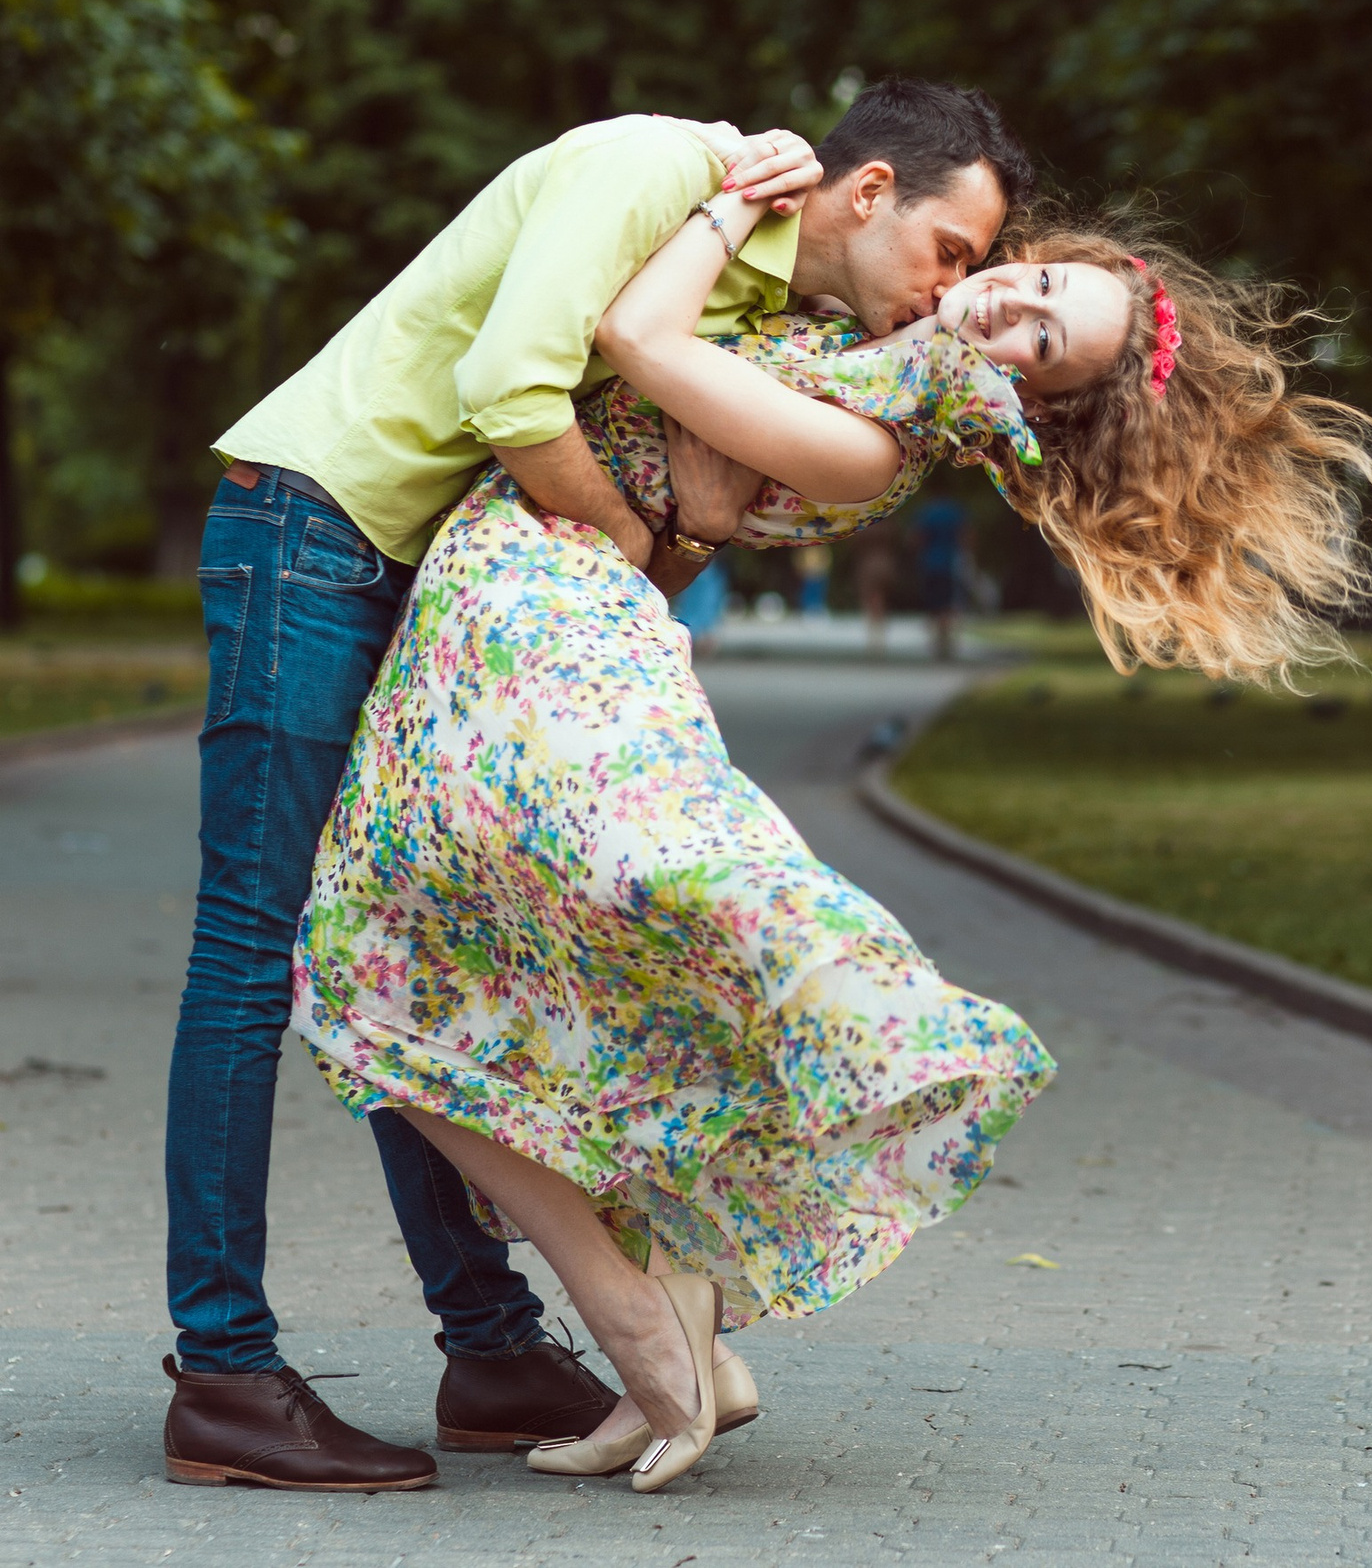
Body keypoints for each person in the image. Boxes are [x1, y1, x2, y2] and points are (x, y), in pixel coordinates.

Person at [287, 187, 1372, 1492]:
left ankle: (644, 1309)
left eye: (1041, 339)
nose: (1009, 300)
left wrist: (726, 194)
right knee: (417, 972)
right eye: (1035, 281)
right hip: (528, 597)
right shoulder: (868, 349)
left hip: (543, 614)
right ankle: (668, 1299)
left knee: (371, 970)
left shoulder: (875, 440)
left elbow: (639, 337)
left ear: (1024, 405)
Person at [164, 78, 1033, 1493]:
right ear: (868, 192)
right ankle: (223, 1368)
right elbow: (509, 387)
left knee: (412, 949)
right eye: (952, 250)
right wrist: (643, 526)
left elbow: (672, 526)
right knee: (260, 951)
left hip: (427, 575)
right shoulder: (654, 171)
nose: (954, 289)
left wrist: (671, 527)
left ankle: (493, 1345)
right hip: (319, 530)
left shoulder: (763, 321)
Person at [911, 493, 974, 658]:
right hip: (951, 562)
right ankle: (946, 639)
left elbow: (919, 537)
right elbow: (965, 536)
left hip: (930, 562)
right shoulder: (955, 510)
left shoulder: (927, 511)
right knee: (948, 602)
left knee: (934, 602)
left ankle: (938, 639)